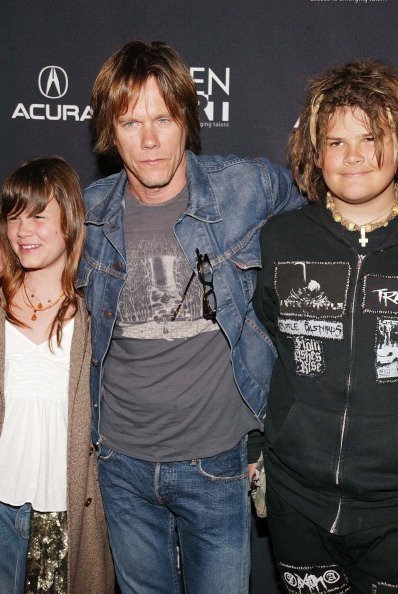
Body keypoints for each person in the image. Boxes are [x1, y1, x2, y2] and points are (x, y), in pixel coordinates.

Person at [78, 40, 303, 594]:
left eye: (163, 118)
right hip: (121, 464)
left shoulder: (244, 188)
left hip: (217, 462)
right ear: (110, 132)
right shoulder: (88, 213)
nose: (149, 140)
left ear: (187, 120)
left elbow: (321, 211)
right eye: (131, 122)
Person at [249, 60, 398, 592]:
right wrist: (254, 448)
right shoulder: (281, 239)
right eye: (336, 142)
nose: (353, 155)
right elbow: (258, 347)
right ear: (316, 153)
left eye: (371, 137)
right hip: (298, 502)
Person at [0, 157, 114, 594]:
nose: (23, 231)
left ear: (69, 219)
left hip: (66, 514)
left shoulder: (96, 315)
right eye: (13, 216)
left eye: (38, 216)